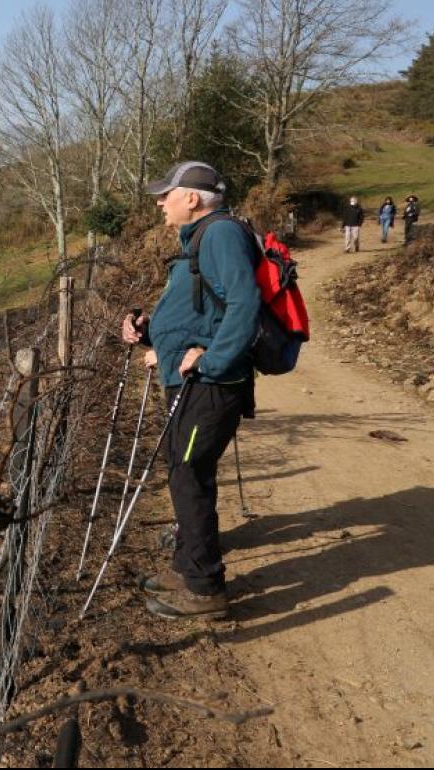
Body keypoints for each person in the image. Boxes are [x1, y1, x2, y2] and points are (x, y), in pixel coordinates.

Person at [121, 161, 260, 620]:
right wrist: (150, 334)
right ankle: (186, 567)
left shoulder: (220, 235)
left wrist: (212, 360)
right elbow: (203, 313)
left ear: (193, 198)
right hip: (193, 381)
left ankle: (204, 590)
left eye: (167, 194)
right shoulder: (198, 240)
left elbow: (244, 304)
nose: (160, 202)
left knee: (188, 474)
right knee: (186, 471)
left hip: (212, 385)